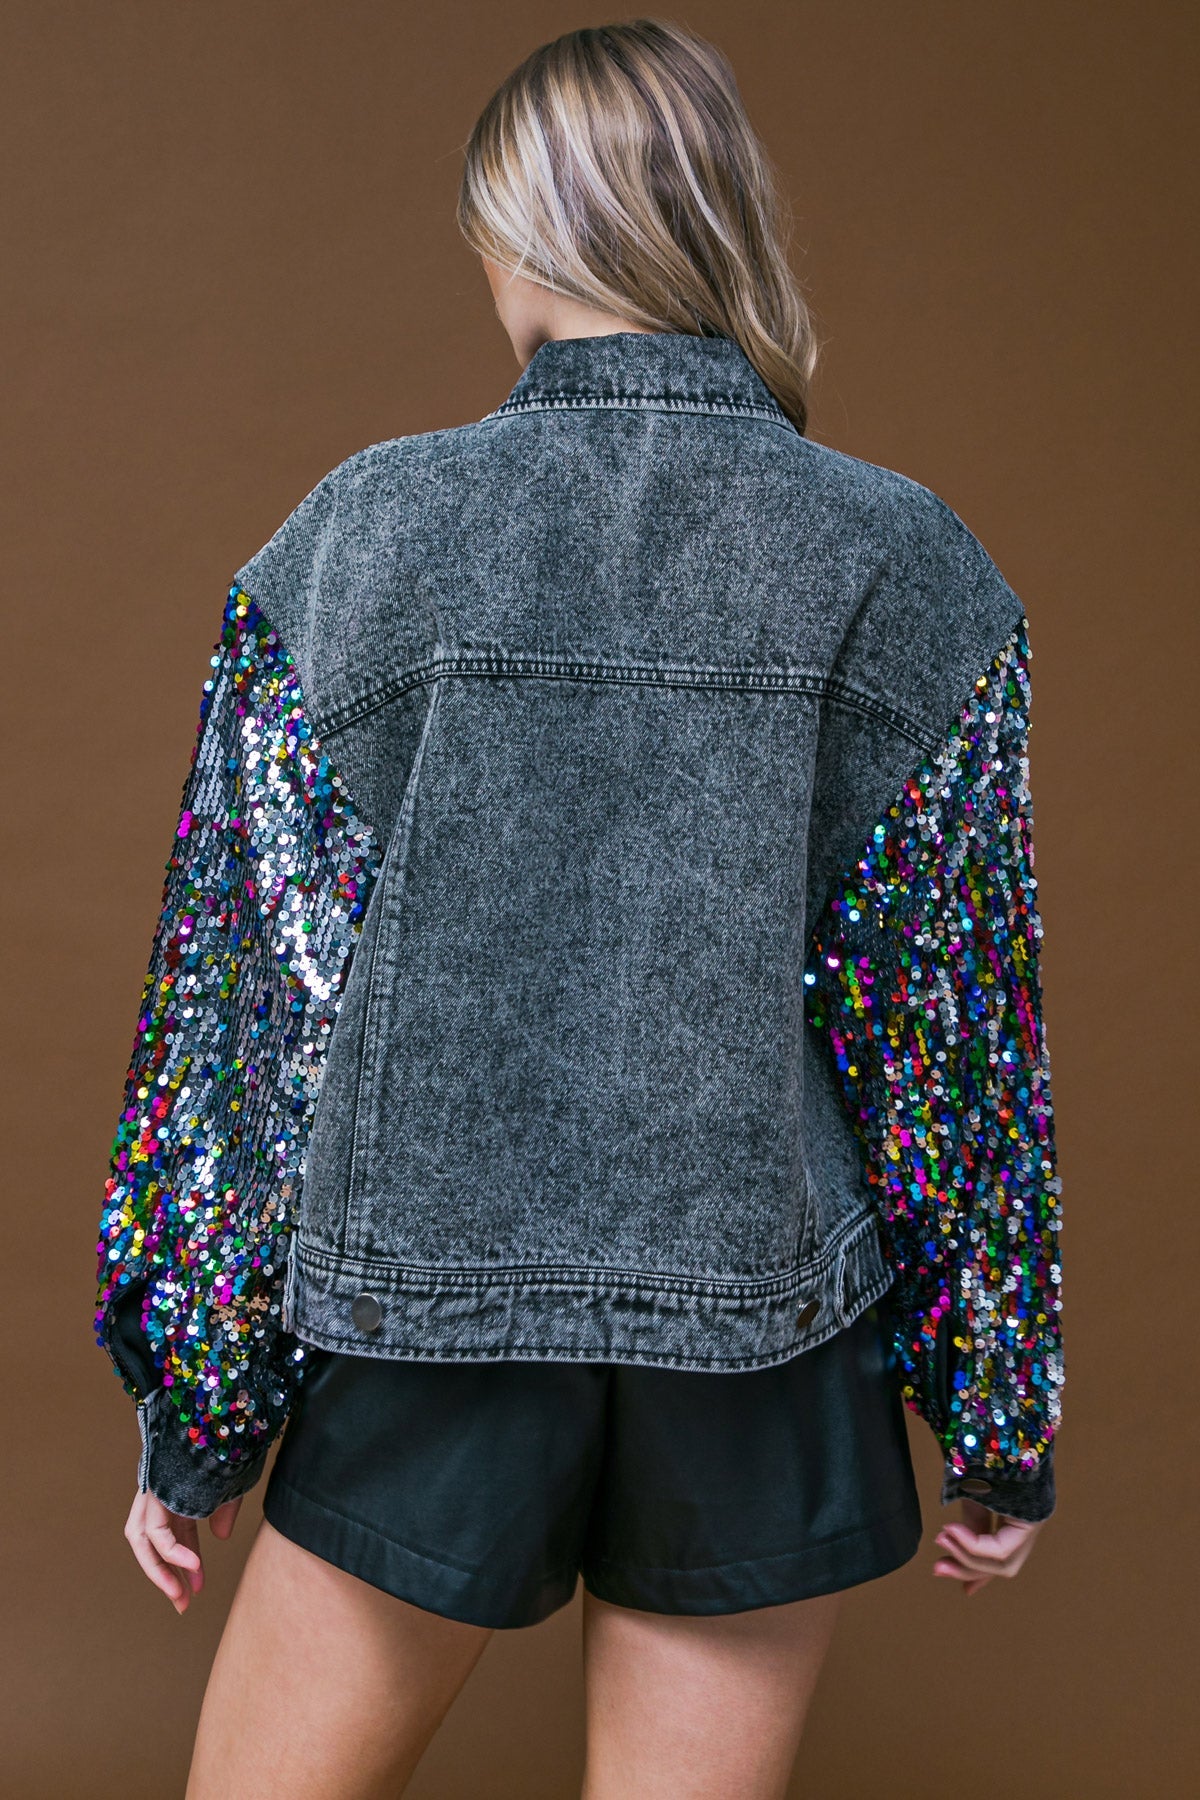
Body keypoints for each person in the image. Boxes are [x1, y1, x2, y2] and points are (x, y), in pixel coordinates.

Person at [93, 20, 1064, 1799]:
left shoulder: (367, 532)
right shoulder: (903, 557)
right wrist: (995, 1406)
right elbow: (948, 1024)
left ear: (520, 232)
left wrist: (199, 1398)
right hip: (764, 1326)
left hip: (428, 1311)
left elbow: (258, 996)